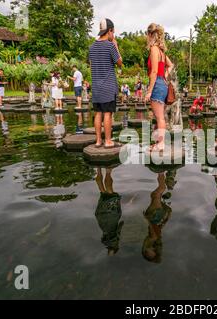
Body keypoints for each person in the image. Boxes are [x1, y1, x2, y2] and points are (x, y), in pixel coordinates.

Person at [89, 18, 123, 149]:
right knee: (108, 114)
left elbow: (92, 65)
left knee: (98, 113)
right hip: (108, 87)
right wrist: (116, 45)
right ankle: (108, 141)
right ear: (109, 31)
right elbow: (119, 63)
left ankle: (98, 141)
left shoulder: (91, 47)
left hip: (96, 88)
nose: (113, 35)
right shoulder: (110, 46)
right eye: (113, 32)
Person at [144, 23, 174, 152]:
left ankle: (161, 144)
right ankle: (158, 142)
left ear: (150, 34)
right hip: (163, 84)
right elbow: (171, 65)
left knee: (160, 117)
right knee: (159, 116)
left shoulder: (154, 49)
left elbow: (154, 72)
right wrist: (165, 76)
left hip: (157, 85)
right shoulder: (161, 51)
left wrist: (149, 91)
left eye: (147, 34)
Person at [95, 167, 124, 256]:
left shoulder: (114, 242)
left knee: (110, 192)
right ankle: (98, 168)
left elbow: (120, 226)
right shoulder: (105, 242)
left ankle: (108, 171)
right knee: (103, 192)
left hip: (111, 215)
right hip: (101, 217)